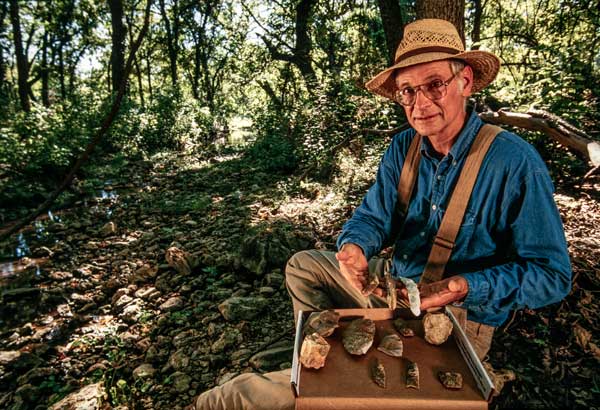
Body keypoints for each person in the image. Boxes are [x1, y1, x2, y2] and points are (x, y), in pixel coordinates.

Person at [190, 18, 572, 410]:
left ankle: (314, 388)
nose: (420, 104)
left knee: (240, 397)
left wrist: (463, 286)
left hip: (453, 319)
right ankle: (325, 352)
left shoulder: (514, 162)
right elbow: (374, 215)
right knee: (305, 266)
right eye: (408, 91)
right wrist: (355, 245)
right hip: (393, 291)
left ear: (466, 81)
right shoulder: (403, 147)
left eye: (435, 84)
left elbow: (552, 275)